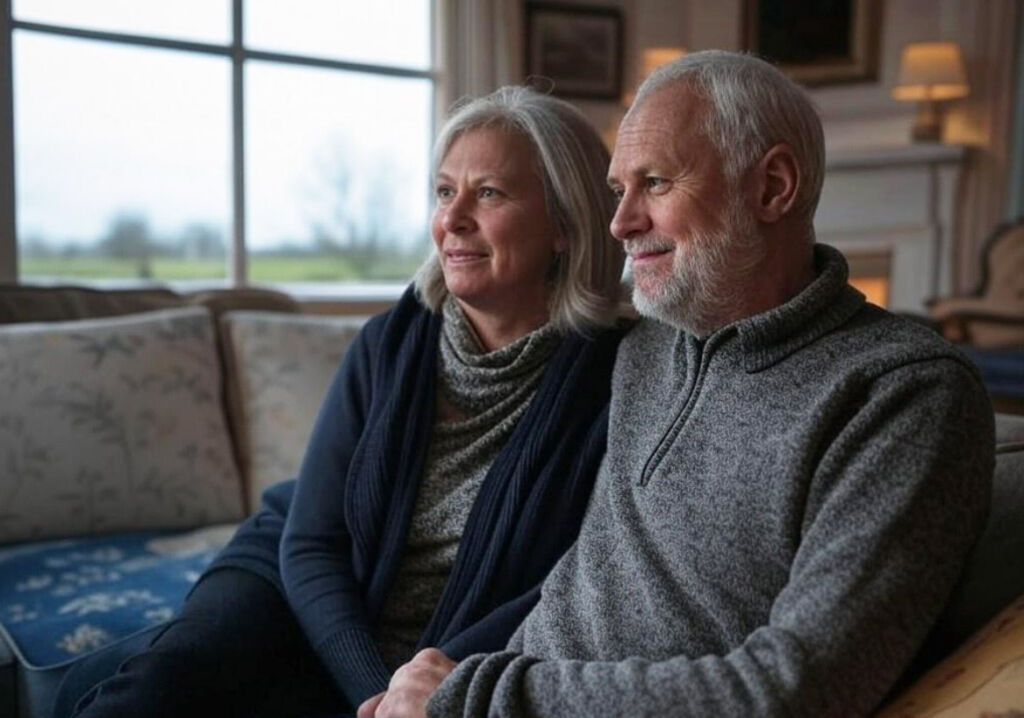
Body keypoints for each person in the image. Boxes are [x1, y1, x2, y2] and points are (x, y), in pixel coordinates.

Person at [364, 50, 996, 718]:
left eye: (656, 183)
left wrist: (476, 696)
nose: (619, 223)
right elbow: (577, 582)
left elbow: (797, 690)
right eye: (618, 190)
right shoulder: (644, 349)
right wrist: (447, 675)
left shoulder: (904, 393)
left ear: (774, 186)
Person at [57, 85, 627, 718]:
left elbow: (571, 582)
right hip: (301, 584)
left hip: (438, 652)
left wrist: (426, 687)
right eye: (444, 192)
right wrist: (376, 693)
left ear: (564, 224)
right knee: (154, 691)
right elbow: (311, 542)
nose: (453, 219)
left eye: (488, 193)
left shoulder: (619, 377)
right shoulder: (390, 343)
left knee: (101, 691)